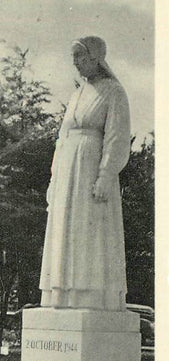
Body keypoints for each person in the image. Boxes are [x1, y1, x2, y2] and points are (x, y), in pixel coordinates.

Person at [39, 36, 131, 311]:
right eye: (73, 57)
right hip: (67, 172)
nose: (76, 63)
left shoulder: (114, 92)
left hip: (90, 172)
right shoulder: (76, 94)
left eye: (80, 56)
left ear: (95, 58)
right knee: (64, 230)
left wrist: (105, 174)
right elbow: (62, 138)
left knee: (89, 232)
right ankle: (61, 295)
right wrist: (54, 179)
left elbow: (117, 136)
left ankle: (89, 296)